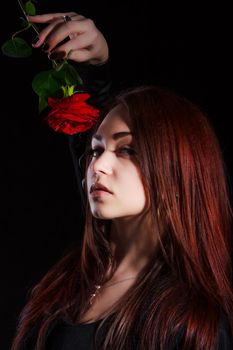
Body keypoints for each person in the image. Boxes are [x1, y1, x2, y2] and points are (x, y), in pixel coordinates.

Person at [10, 11, 233, 350]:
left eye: (128, 150)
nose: (98, 167)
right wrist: (92, 64)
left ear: (175, 167)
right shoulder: (70, 283)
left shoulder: (188, 326)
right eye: (97, 151)